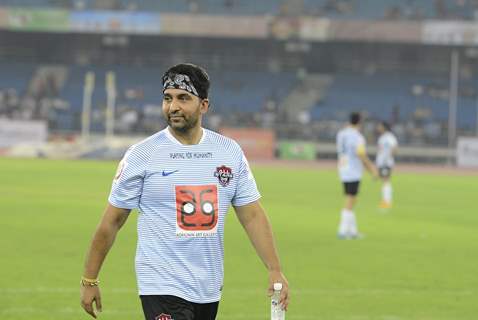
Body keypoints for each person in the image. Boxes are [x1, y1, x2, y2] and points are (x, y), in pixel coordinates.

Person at [80, 63, 289, 320]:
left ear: (204, 106)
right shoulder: (142, 155)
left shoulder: (229, 152)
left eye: (183, 98)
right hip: (160, 282)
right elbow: (111, 222)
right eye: (167, 98)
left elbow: (252, 215)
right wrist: (89, 279)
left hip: (208, 285)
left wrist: (274, 269)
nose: (173, 107)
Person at [336, 112, 378, 239]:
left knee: (352, 199)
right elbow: (360, 154)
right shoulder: (358, 137)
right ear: (359, 122)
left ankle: (353, 231)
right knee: (350, 200)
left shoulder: (341, 134)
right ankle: (343, 230)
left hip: (343, 168)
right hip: (353, 170)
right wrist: (372, 168)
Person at [376, 121, 398, 209]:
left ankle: (387, 201)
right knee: (384, 181)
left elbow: (394, 148)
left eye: (380, 126)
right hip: (382, 162)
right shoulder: (382, 137)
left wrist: (388, 158)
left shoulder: (389, 137)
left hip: (386, 163)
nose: (378, 128)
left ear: (384, 127)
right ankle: (385, 201)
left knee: (386, 181)